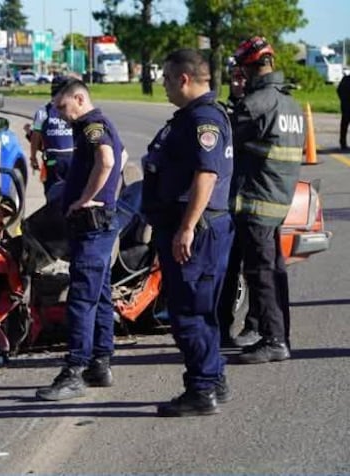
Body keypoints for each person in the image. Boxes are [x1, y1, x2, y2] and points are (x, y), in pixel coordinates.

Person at [141, 49, 234, 416]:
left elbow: (206, 175)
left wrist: (187, 227)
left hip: (196, 229)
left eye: (165, 78)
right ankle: (214, 377)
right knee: (201, 309)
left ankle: (200, 390)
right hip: (194, 227)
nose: (162, 84)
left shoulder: (203, 120)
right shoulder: (192, 118)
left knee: (188, 313)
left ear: (183, 78)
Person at [35, 78, 124, 401]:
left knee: (82, 299)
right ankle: (100, 363)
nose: (59, 113)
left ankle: (74, 370)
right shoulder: (93, 124)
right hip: (97, 225)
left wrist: (88, 197)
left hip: (92, 225)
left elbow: (110, 160)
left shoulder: (92, 125)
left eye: (62, 106)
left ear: (78, 98)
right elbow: (123, 155)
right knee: (100, 296)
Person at [218, 37, 305, 363]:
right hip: (277, 200)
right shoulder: (289, 104)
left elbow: (225, 141)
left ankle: (274, 341)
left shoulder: (257, 104)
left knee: (262, 274)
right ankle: (278, 335)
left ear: (253, 67)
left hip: (255, 201)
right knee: (274, 271)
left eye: (243, 69)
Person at [29, 76, 75, 197]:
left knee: (53, 192)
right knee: (74, 192)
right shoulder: (73, 110)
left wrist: (33, 157)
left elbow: (35, 136)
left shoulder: (42, 112)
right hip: (72, 157)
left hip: (53, 159)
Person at [338, 73, 350, 150]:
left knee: (344, 125)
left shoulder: (345, 79)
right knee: (344, 125)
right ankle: (343, 142)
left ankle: (343, 143)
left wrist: (343, 100)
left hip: (345, 106)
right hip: (347, 105)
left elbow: (339, 90)